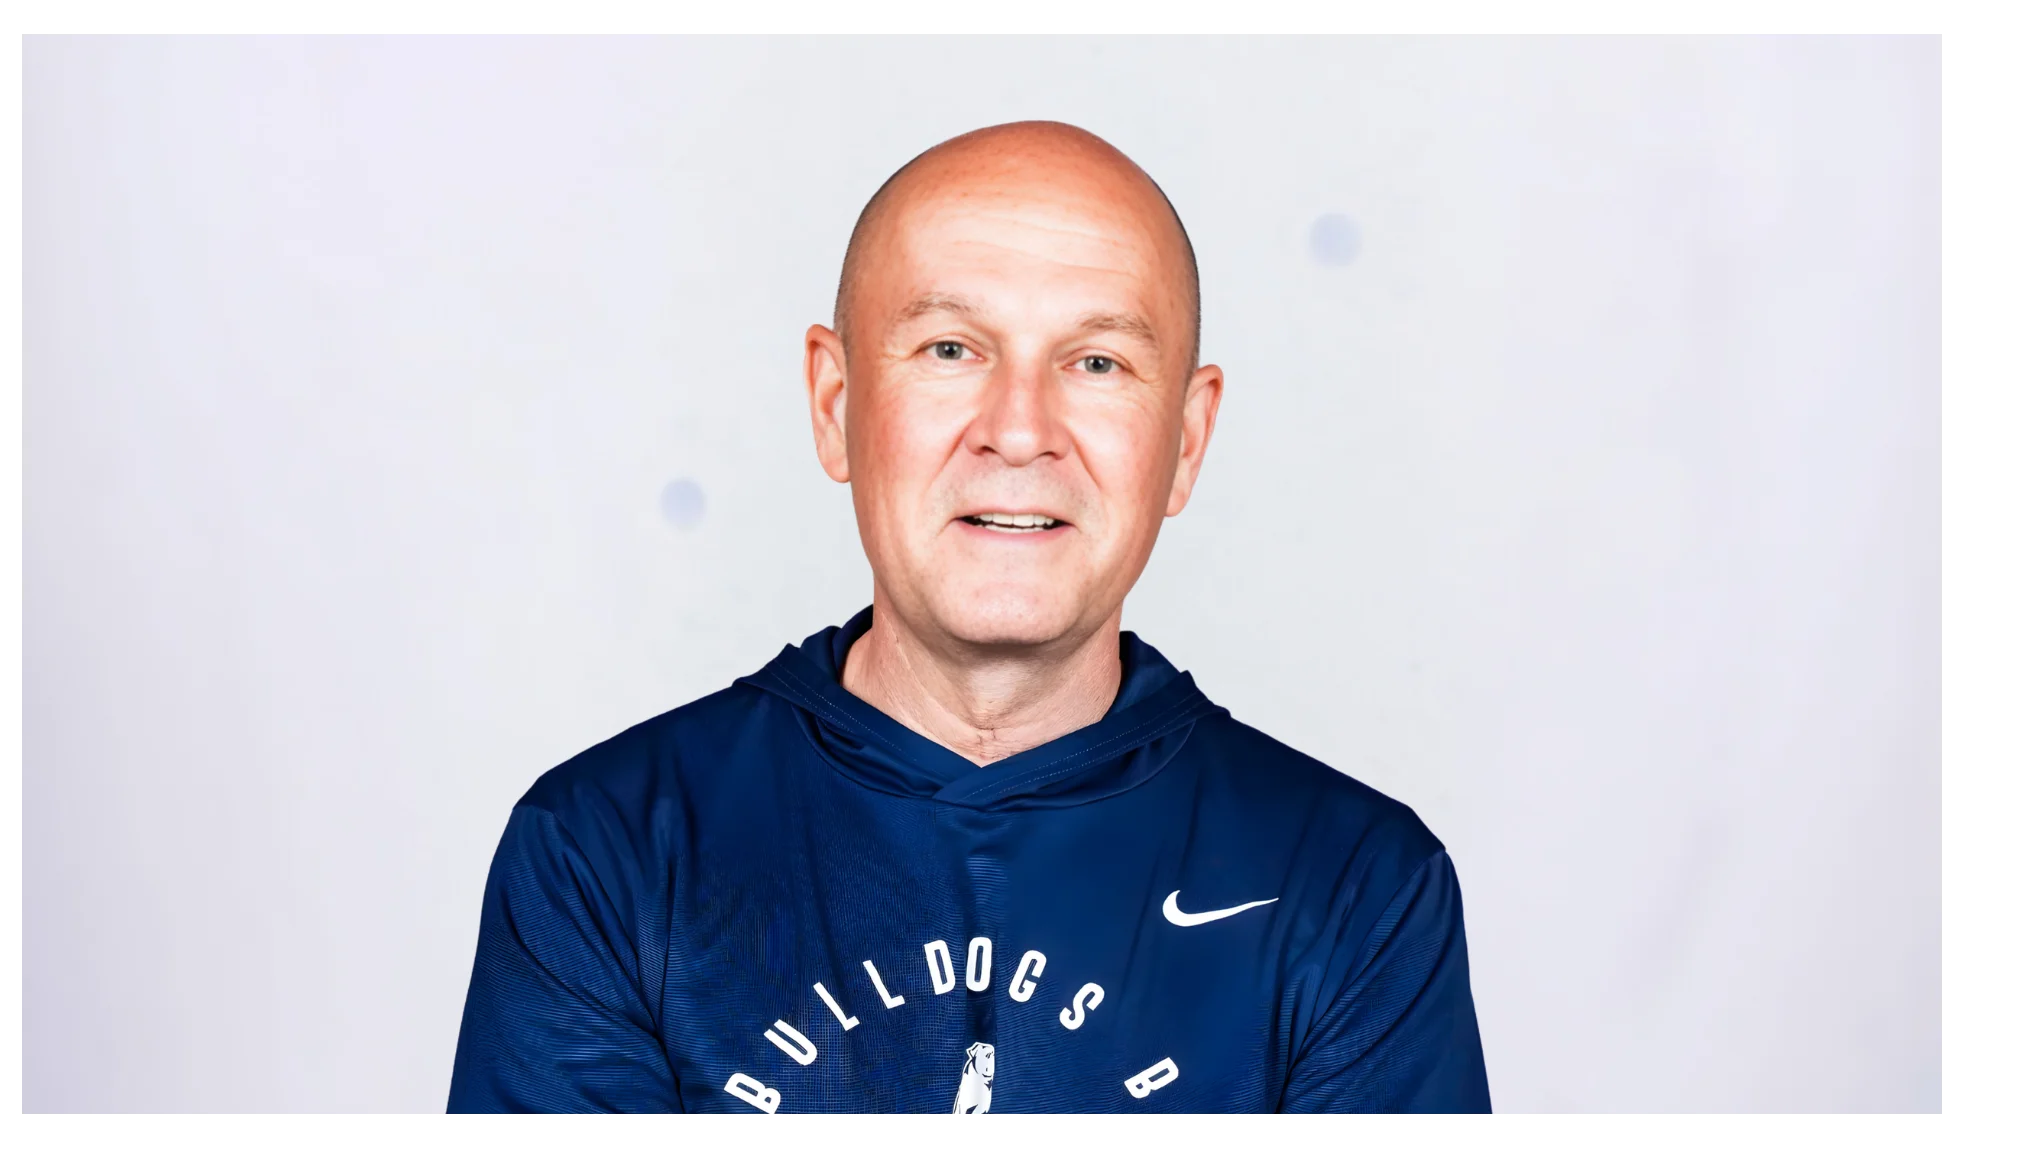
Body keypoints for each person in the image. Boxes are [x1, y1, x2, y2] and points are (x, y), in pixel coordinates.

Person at [447, 121, 1490, 1117]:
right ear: (834, 403)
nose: (1020, 430)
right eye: (951, 349)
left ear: (1185, 438)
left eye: (1096, 362)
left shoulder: (1353, 888)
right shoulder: (608, 851)